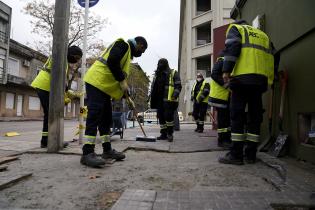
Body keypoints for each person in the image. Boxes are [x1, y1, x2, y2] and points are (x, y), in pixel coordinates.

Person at [81, 36, 147, 167]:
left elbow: (118, 77)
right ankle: (87, 153)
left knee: (106, 119)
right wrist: (122, 79)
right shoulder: (123, 45)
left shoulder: (127, 54)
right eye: (142, 49)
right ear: (138, 43)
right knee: (94, 116)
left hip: (104, 87)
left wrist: (127, 96)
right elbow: (112, 61)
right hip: (96, 82)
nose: (141, 53)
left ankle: (107, 150)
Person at [218, 20, 277, 165]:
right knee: (255, 116)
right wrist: (271, 77)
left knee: (237, 115)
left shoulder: (236, 29)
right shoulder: (263, 35)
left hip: (242, 79)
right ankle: (250, 154)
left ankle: (236, 155)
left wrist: (226, 70)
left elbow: (233, 47)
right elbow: (275, 55)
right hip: (260, 81)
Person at [31, 45, 83, 148]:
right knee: (51, 114)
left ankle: (46, 140)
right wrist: (65, 93)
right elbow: (59, 78)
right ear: (71, 54)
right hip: (45, 85)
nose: (76, 61)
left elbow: (62, 80)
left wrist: (66, 92)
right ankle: (50, 141)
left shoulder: (63, 58)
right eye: (76, 58)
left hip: (45, 86)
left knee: (49, 114)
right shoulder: (61, 58)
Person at [150, 58, 182, 142]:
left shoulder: (173, 72)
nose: (160, 65)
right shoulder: (157, 74)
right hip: (159, 100)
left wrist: (175, 95)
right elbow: (153, 87)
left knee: (168, 117)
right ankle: (163, 134)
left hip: (169, 100)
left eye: (162, 63)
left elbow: (178, 85)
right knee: (161, 117)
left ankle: (170, 133)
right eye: (159, 63)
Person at [209, 51, 231, 148]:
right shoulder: (222, 61)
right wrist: (226, 85)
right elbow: (214, 75)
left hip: (225, 96)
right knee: (223, 119)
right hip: (221, 96)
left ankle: (226, 139)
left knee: (226, 119)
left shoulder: (224, 62)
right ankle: (222, 140)